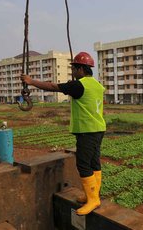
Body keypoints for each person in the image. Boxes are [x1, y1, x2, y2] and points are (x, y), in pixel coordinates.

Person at [20, 51, 105, 215]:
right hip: (98, 129)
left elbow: (53, 87)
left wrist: (30, 81)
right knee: (94, 163)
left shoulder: (79, 85)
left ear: (81, 69)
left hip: (87, 131)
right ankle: (92, 195)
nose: (73, 71)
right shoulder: (96, 85)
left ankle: (93, 200)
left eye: (74, 68)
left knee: (83, 164)